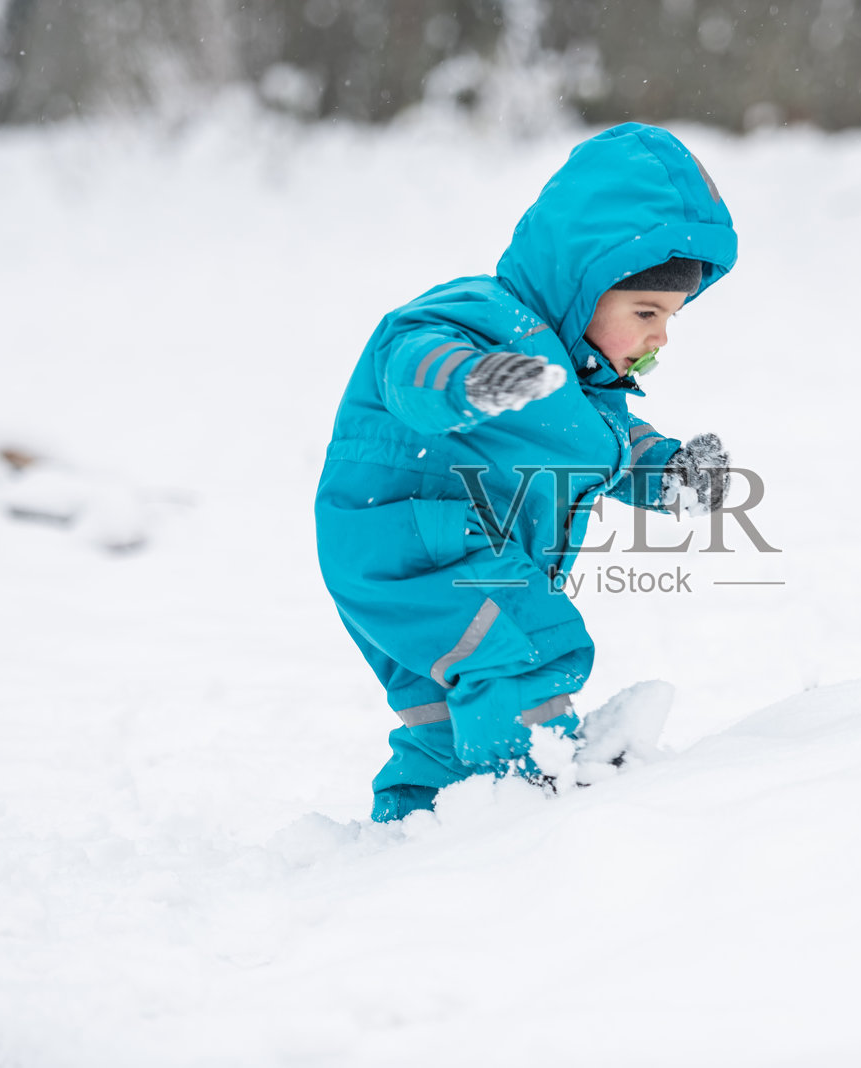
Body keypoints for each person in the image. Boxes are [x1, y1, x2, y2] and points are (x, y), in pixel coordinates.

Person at [315, 122, 738, 822]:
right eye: (645, 311)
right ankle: (532, 803)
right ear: (583, 284)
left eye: (670, 316)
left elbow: (610, 449)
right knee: (528, 647)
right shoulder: (483, 318)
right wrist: (474, 378)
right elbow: (408, 364)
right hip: (418, 543)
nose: (660, 335)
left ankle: (415, 831)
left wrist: (670, 473)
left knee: (446, 720)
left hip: (426, 554)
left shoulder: (583, 388)